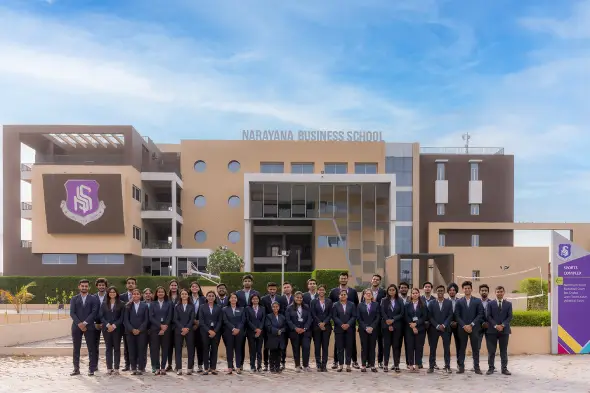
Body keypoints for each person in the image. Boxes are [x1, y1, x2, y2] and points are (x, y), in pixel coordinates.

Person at [329, 272, 359, 370]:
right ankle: (336, 361)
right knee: (338, 345)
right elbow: (331, 307)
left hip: (350, 324)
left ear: (347, 279)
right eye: (341, 278)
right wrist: (339, 323)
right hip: (339, 324)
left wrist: (349, 323)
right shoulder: (333, 291)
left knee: (351, 344)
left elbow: (356, 305)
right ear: (339, 279)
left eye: (345, 278)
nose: (343, 280)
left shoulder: (353, 292)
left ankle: (353, 361)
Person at [70, 279, 99, 376]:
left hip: (89, 326)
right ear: (79, 286)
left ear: (89, 287)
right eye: (82, 286)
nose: (84, 288)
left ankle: (91, 369)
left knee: (91, 348)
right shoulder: (74, 299)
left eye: (86, 286)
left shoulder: (94, 298)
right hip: (76, 326)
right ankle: (76, 369)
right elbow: (72, 313)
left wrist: (85, 323)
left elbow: (94, 312)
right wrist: (79, 324)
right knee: (76, 348)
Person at [455, 280, 484, 375]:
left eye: (468, 288)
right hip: (462, 328)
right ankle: (461, 367)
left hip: (474, 328)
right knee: (461, 348)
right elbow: (457, 315)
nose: (467, 290)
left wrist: (471, 324)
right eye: (465, 288)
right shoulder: (459, 301)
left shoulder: (477, 301)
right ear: (463, 289)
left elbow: (480, 314)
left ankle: (477, 367)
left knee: (475, 348)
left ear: (471, 289)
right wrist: (464, 325)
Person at [485, 286, 513, 376]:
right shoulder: (490, 304)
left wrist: (503, 325)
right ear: (495, 293)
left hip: (504, 331)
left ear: (504, 292)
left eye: (501, 291)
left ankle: (504, 369)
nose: (499, 293)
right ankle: (491, 368)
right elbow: (488, 316)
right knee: (491, 351)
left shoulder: (508, 304)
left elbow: (510, 316)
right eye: (498, 292)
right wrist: (496, 325)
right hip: (491, 331)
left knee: (503, 350)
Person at [427, 285, 453, 374]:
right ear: (436, 292)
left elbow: (450, 315)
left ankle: (447, 366)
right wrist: (437, 325)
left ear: (444, 292)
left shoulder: (449, 303)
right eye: (438, 291)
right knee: (432, 348)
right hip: (434, 329)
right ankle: (431, 366)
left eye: (442, 291)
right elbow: (429, 316)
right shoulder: (431, 303)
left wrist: (444, 325)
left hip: (445, 329)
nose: (440, 292)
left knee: (446, 348)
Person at [124, 288, 149, 375]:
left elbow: (146, 320)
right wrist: (132, 329)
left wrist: (139, 329)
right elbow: (126, 320)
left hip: (142, 332)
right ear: (132, 295)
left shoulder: (145, 306)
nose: (136, 295)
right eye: (134, 294)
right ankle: (133, 367)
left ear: (140, 295)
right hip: (130, 332)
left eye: (137, 294)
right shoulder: (128, 306)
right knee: (132, 350)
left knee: (141, 350)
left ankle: (141, 367)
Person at [285, 291, 313, 372]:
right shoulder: (289, 308)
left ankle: (306, 365)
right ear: (294, 298)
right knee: (296, 348)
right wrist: (295, 328)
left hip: (305, 332)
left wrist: (305, 328)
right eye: (297, 297)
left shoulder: (307, 307)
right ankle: (297, 365)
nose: (299, 299)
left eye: (301, 298)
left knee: (306, 347)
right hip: (294, 332)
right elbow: (288, 320)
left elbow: (310, 319)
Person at [100, 286, 124, 375]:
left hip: (117, 329)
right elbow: (101, 316)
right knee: (108, 348)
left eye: (114, 292)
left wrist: (113, 326)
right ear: (108, 293)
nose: (112, 293)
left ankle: (117, 368)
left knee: (117, 348)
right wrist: (107, 325)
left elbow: (122, 317)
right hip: (106, 329)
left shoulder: (121, 304)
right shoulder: (104, 303)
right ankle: (109, 368)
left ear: (116, 293)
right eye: (110, 292)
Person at [380, 284, 404, 373]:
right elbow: (382, 312)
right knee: (386, 346)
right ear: (387, 291)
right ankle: (385, 364)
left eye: (393, 290)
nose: (391, 291)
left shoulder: (400, 300)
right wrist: (388, 321)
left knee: (396, 346)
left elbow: (402, 313)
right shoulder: (384, 300)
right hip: (386, 326)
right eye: (390, 290)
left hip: (397, 326)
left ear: (396, 291)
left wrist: (393, 320)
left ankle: (396, 365)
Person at [236, 275, 259, 367]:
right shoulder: (238, 293)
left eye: (249, 281)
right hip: (241, 322)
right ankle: (240, 364)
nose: (247, 282)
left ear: (251, 282)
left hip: (252, 322)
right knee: (240, 344)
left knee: (252, 345)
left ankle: (252, 365)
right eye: (245, 281)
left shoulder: (256, 293)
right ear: (243, 282)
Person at [260, 282, 284, 371]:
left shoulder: (281, 298)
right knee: (267, 347)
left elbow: (283, 311)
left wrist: (280, 327)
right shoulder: (263, 299)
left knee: (279, 347)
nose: (272, 291)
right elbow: (263, 312)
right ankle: (266, 364)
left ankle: (279, 364)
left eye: (274, 289)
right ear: (267, 289)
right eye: (270, 289)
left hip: (279, 326)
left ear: (276, 289)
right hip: (268, 327)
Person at [149, 286, 172, 375]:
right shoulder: (152, 303)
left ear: (165, 293)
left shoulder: (169, 303)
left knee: (165, 349)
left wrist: (164, 326)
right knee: (155, 349)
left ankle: (163, 367)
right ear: (156, 293)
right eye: (159, 292)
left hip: (166, 329)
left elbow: (169, 316)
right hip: (155, 329)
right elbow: (151, 317)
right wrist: (160, 326)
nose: (160, 293)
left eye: (162, 292)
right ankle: (157, 367)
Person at [198, 290, 223, 375]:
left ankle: (213, 368)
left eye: (213, 296)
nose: (211, 297)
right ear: (206, 297)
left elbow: (220, 321)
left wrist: (214, 331)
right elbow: (201, 321)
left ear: (215, 297)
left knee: (214, 350)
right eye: (209, 296)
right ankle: (206, 368)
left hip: (216, 332)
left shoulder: (219, 307)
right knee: (205, 349)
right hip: (205, 331)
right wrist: (209, 331)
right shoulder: (202, 307)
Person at [332, 289, 356, 372]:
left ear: (347, 296)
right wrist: (341, 324)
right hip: (339, 329)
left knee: (349, 347)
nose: (343, 296)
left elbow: (354, 316)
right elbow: (334, 316)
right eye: (341, 294)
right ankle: (340, 365)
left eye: (344, 294)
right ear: (339, 296)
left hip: (349, 329)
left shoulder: (352, 304)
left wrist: (348, 324)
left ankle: (348, 365)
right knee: (339, 348)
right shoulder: (335, 305)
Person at [404, 288, 428, 372]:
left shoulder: (423, 305)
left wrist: (416, 324)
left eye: (416, 293)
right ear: (411, 295)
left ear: (419, 294)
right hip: (409, 329)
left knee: (419, 347)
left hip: (420, 329)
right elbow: (406, 316)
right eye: (413, 293)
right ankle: (410, 365)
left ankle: (417, 365)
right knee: (410, 347)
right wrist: (412, 326)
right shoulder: (407, 305)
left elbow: (424, 317)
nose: (414, 294)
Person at [310, 284, 332, 372]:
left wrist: (324, 323)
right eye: (320, 290)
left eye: (323, 290)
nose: (321, 291)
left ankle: (324, 365)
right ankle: (318, 365)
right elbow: (313, 313)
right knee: (317, 346)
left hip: (327, 327)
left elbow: (330, 314)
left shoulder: (329, 301)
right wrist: (319, 323)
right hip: (316, 327)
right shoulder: (313, 301)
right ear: (317, 291)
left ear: (325, 291)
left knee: (325, 346)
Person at [222, 292, 246, 374]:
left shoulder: (242, 309)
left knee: (238, 350)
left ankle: (238, 367)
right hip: (229, 332)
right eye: (232, 298)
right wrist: (233, 328)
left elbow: (243, 321)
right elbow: (225, 320)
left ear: (237, 299)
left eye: (235, 298)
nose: (233, 299)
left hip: (239, 332)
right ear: (229, 299)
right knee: (229, 350)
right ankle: (230, 367)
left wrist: (238, 329)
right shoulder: (224, 309)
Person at [357, 288, 380, 372]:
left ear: (372, 295)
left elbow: (378, 317)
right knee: (364, 347)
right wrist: (366, 327)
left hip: (373, 329)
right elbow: (359, 318)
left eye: (370, 293)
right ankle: (363, 365)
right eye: (366, 293)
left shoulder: (376, 304)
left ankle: (372, 365)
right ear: (364, 295)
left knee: (372, 347)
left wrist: (372, 327)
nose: (368, 295)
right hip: (363, 330)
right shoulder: (360, 305)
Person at [173, 288, 195, 375]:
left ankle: (189, 368)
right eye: (182, 294)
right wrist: (182, 328)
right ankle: (179, 368)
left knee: (191, 349)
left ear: (188, 295)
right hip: (179, 330)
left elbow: (192, 319)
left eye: (186, 294)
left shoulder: (191, 306)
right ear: (180, 296)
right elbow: (175, 319)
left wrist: (187, 328)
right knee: (178, 350)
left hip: (189, 331)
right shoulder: (177, 306)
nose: (184, 295)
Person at [119, 277, 138, 372]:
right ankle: (127, 365)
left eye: (132, 283)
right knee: (127, 346)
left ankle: (137, 364)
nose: (131, 284)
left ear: (135, 285)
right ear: (126, 285)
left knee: (137, 346)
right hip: (125, 325)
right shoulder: (121, 296)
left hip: (137, 326)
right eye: (129, 283)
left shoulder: (139, 295)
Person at [369, 274, 386, 368]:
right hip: (369, 322)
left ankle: (380, 361)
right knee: (369, 343)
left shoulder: (383, 292)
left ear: (380, 281)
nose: (375, 280)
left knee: (380, 343)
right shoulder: (366, 291)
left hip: (380, 322)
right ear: (371, 280)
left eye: (377, 279)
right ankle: (368, 361)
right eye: (374, 279)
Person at [265, 301, 287, 373]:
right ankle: (271, 367)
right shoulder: (268, 316)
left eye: (277, 306)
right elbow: (268, 326)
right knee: (272, 354)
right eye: (274, 307)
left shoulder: (282, 317)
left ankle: (277, 367)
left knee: (279, 353)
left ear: (279, 307)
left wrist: (281, 331)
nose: (275, 308)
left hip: (280, 338)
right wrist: (277, 331)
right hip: (272, 337)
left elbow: (285, 326)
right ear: (271, 308)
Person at [245, 294, 265, 372]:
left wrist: (259, 329)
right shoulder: (247, 308)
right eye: (253, 299)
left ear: (259, 300)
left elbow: (263, 319)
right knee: (252, 350)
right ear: (251, 300)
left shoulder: (263, 308)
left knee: (259, 350)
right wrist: (255, 329)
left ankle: (259, 366)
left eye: (256, 299)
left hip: (260, 332)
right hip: (251, 332)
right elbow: (247, 320)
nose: (255, 300)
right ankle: (252, 366)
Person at [190, 281, 206, 373]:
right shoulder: (187, 298)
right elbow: (186, 312)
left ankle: (200, 365)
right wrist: (193, 322)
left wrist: (199, 322)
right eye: (193, 286)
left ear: (199, 288)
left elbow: (205, 311)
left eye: (196, 286)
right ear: (190, 288)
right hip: (190, 325)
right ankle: (190, 365)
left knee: (200, 346)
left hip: (201, 325)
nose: (194, 288)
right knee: (191, 346)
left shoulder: (203, 299)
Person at [93, 278, 108, 370]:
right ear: (97, 286)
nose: (101, 286)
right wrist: (95, 322)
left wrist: (105, 323)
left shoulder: (110, 296)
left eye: (103, 285)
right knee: (94, 345)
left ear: (106, 286)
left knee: (109, 346)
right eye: (100, 285)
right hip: (95, 324)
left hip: (107, 324)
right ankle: (94, 365)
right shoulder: (93, 297)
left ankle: (109, 366)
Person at [279, 281, 295, 369]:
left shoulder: (296, 298)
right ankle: (282, 363)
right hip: (283, 326)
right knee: (283, 346)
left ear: (291, 288)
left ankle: (297, 363)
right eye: (284, 287)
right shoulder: (280, 299)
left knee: (295, 345)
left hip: (293, 326)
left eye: (288, 287)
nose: (286, 289)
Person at [165, 279, 180, 372]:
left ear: (177, 287)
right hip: (168, 325)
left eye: (175, 285)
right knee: (169, 346)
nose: (173, 287)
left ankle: (178, 365)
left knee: (178, 346)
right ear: (169, 287)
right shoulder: (166, 297)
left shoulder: (181, 296)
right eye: (172, 285)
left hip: (178, 325)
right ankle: (169, 364)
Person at [421, 281, 435, 369]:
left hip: (432, 325)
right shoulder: (419, 299)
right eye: (425, 286)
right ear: (423, 288)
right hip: (421, 324)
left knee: (432, 344)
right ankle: (419, 362)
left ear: (431, 288)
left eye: (429, 287)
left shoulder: (434, 299)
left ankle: (433, 363)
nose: (427, 288)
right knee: (420, 344)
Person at [447, 282, 461, 369]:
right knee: (447, 345)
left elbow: (462, 314)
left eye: (454, 290)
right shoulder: (444, 301)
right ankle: (447, 364)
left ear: (456, 291)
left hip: (458, 325)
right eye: (450, 290)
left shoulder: (460, 301)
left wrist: (457, 322)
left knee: (459, 345)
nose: (452, 292)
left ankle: (459, 364)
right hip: (447, 325)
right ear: (448, 291)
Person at [397, 281, 411, 368]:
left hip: (408, 326)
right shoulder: (396, 299)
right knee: (397, 345)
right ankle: (396, 363)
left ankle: (409, 363)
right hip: (398, 325)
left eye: (405, 288)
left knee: (408, 344)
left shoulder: (411, 298)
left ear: (408, 289)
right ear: (399, 289)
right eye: (402, 288)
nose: (403, 289)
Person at [141, 288, 153, 372]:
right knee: (142, 349)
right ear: (143, 295)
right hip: (143, 330)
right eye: (146, 293)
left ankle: (154, 366)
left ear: (152, 294)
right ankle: (142, 366)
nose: (148, 295)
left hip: (153, 330)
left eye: (149, 293)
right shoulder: (140, 304)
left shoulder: (155, 304)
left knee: (153, 349)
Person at [478, 284, 492, 351]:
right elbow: (475, 314)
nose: (484, 292)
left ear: (488, 292)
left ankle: (491, 361)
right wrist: (482, 322)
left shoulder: (492, 303)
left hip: (489, 327)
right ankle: (476, 361)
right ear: (479, 292)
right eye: (482, 290)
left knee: (490, 347)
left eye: (485, 290)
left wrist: (488, 323)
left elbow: (493, 315)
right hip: (478, 327)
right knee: (476, 347)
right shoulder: (476, 302)